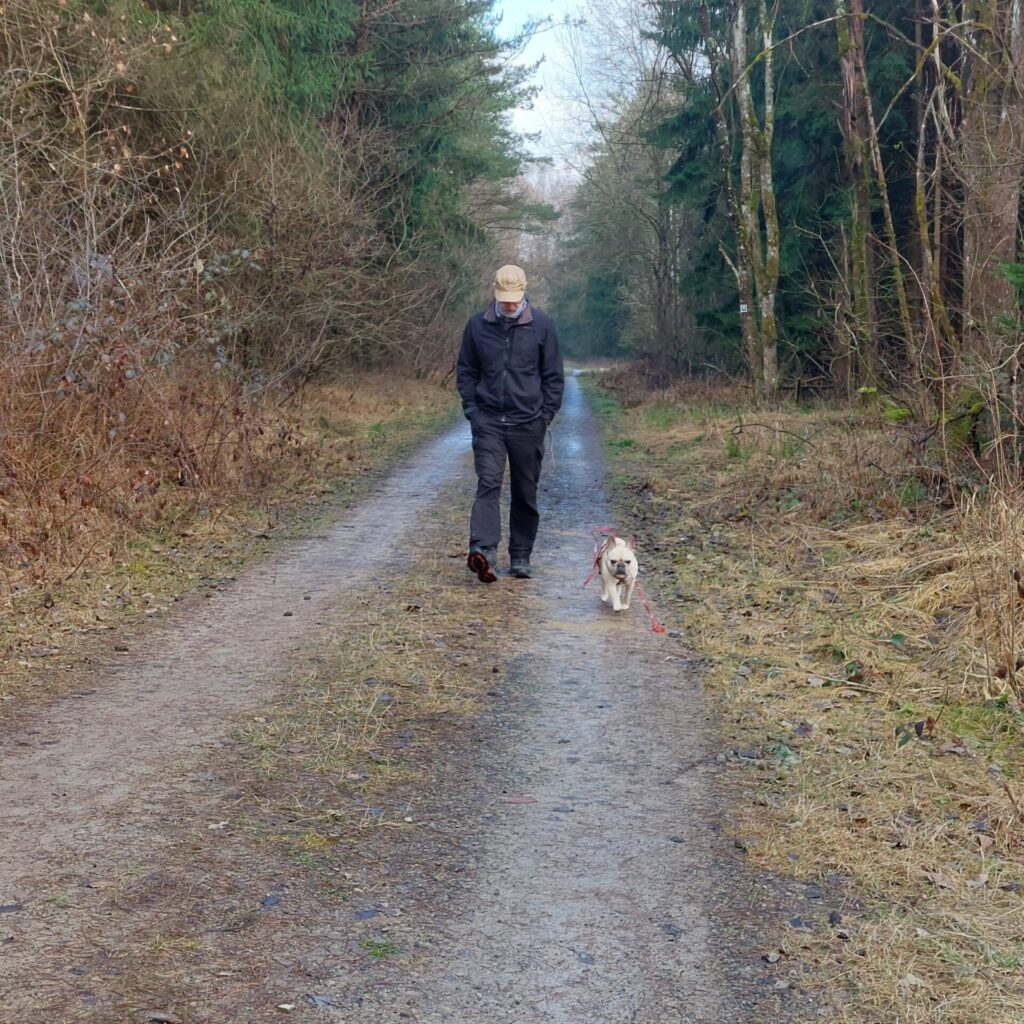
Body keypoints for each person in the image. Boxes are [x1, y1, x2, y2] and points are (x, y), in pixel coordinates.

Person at [456, 264, 565, 582]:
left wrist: (545, 415)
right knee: (488, 483)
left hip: (528, 421)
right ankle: (483, 552)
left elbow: (553, 375)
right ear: (495, 293)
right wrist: (472, 410)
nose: (508, 304)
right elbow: (466, 369)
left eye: (513, 299)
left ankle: (521, 556)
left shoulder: (543, 325)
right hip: (488, 419)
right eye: (503, 299)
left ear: (523, 293)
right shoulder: (477, 325)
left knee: (524, 490)